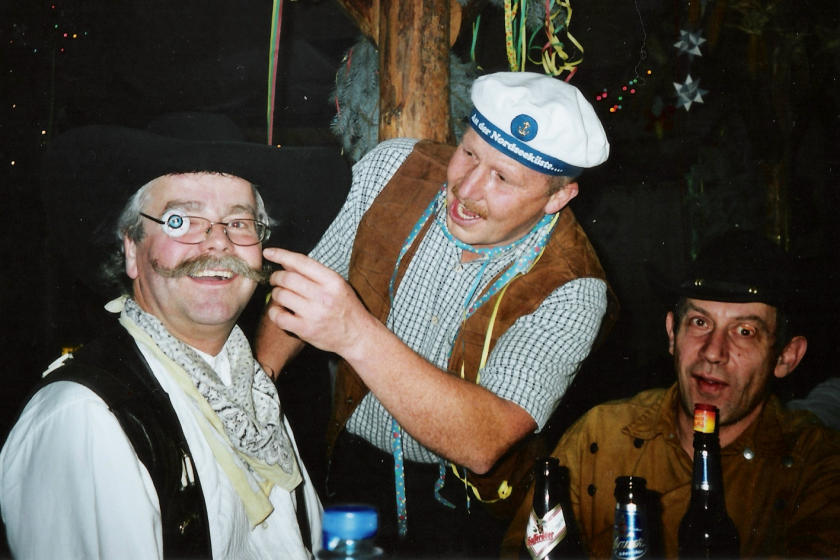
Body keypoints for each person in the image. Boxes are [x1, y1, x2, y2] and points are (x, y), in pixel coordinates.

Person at [255, 71, 615, 557]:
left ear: (557, 198)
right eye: (468, 153)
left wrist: (355, 334)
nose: (467, 188)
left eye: (503, 178)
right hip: (350, 461)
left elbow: (482, 444)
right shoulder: (393, 167)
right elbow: (297, 294)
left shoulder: (575, 286)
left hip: (464, 503)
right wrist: (257, 391)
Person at [0, 116, 325, 559]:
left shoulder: (255, 401)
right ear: (132, 249)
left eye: (239, 222)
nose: (218, 243)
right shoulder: (88, 419)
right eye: (180, 220)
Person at [502, 229, 840, 558]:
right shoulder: (601, 436)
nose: (713, 352)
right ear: (671, 333)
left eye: (744, 331)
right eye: (699, 322)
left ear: (786, 357)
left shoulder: (815, 464)